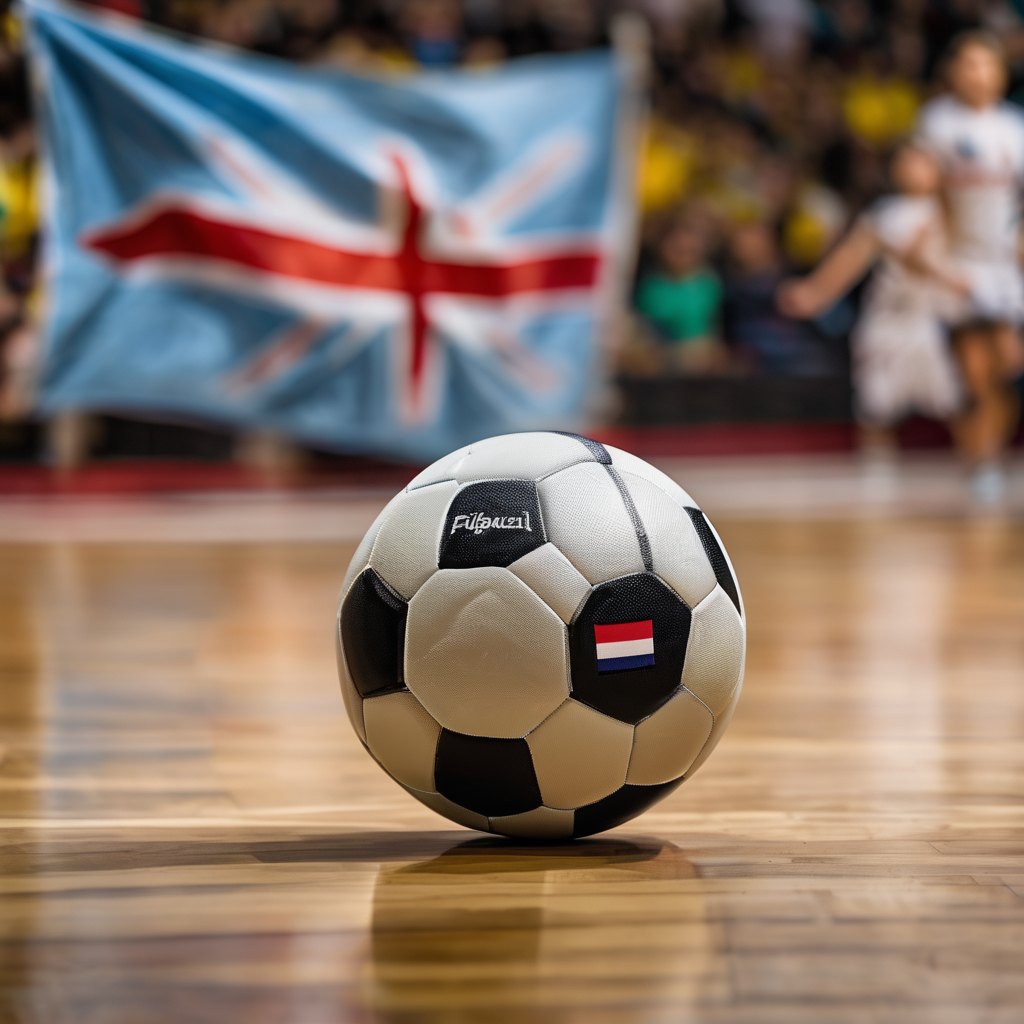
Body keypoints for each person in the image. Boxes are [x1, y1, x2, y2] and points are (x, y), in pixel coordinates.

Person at [778, 143, 966, 453]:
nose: (912, 170)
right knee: (876, 407)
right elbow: (851, 257)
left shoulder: (953, 211)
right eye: (906, 163)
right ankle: (877, 480)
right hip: (887, 318)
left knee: (953, 401)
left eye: (921, 163)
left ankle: (978, 470)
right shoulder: (885, 212)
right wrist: (815, 293)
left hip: (932, 319)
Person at [916, 31, 1024, 502]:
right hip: (958, 263)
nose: (977, 73)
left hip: (1004, 265)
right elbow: (924, 186)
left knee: (1009, 362)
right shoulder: (938, 123)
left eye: (986, 64)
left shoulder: (1014, 127)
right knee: (975, 371)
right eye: (968, 64)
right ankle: (982, 460)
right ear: (953, 72)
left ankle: (988, 452)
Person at [634, 213, 727, 373]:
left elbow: (718, 328)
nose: (683, 255)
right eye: (677, 249)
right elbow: (646, 335)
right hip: (663, 362)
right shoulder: (650, 287)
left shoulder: (710, 283)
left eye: (689, 250)